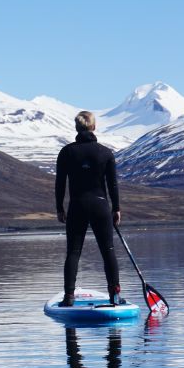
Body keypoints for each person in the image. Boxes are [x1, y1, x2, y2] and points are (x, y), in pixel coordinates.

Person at [55, 111, 124, 307]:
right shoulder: (105, 153)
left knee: (73, 252)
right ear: (93, 127)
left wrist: (59, 208)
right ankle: (115, 296)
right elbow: (113, 185)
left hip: (77, 206)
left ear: (77, 128)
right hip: (101, 205)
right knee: (108, 250)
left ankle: (69, 297)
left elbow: (60, 183)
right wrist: (116, 208)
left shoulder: (66, 152)